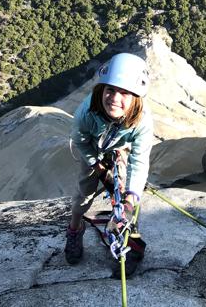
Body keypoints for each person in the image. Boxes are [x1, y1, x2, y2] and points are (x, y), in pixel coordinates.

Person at [65, 53, 153, 276]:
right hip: (92, 149)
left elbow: (140, 160)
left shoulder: (142, 122)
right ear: (101, 90)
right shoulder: (86, 112)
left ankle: (127, 239)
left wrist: (132, 197)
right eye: (110, 90)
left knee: (126, 200)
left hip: (120, 148)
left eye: (124, 92)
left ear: (136, 98)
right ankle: (75, 228)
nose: (115, 97)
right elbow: (80, 142)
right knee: (84, 193)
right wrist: (96, 165)